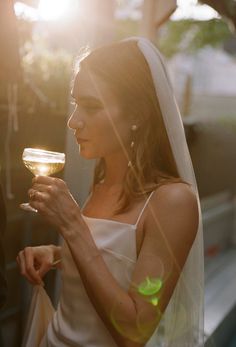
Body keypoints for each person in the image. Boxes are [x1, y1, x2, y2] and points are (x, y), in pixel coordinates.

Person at [17, 37, 204, 347]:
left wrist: (72, 226)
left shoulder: (172, 201)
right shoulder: (103, 180)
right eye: (76, 103)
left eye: (91, 106)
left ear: (137, 115)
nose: (73, 121)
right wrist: (57, 254)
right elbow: (117, 261)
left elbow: (135, 332)